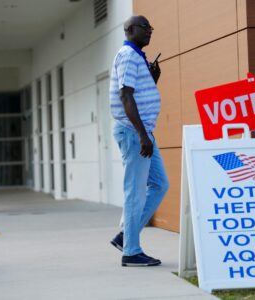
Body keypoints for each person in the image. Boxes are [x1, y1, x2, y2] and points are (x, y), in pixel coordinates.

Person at [109, 15, 169, 267]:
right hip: (135, 134)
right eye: (146, 28)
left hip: (143, 133)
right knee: (135, 192)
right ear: (130, 29)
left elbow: (137, 93)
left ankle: (127, 236)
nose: (150, 32)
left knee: (159, 185)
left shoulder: (137, 58)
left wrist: (152, 78)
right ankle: (131, 252)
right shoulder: (128, 56)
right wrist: (143, 135)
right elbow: (125, 96)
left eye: (151, 28)